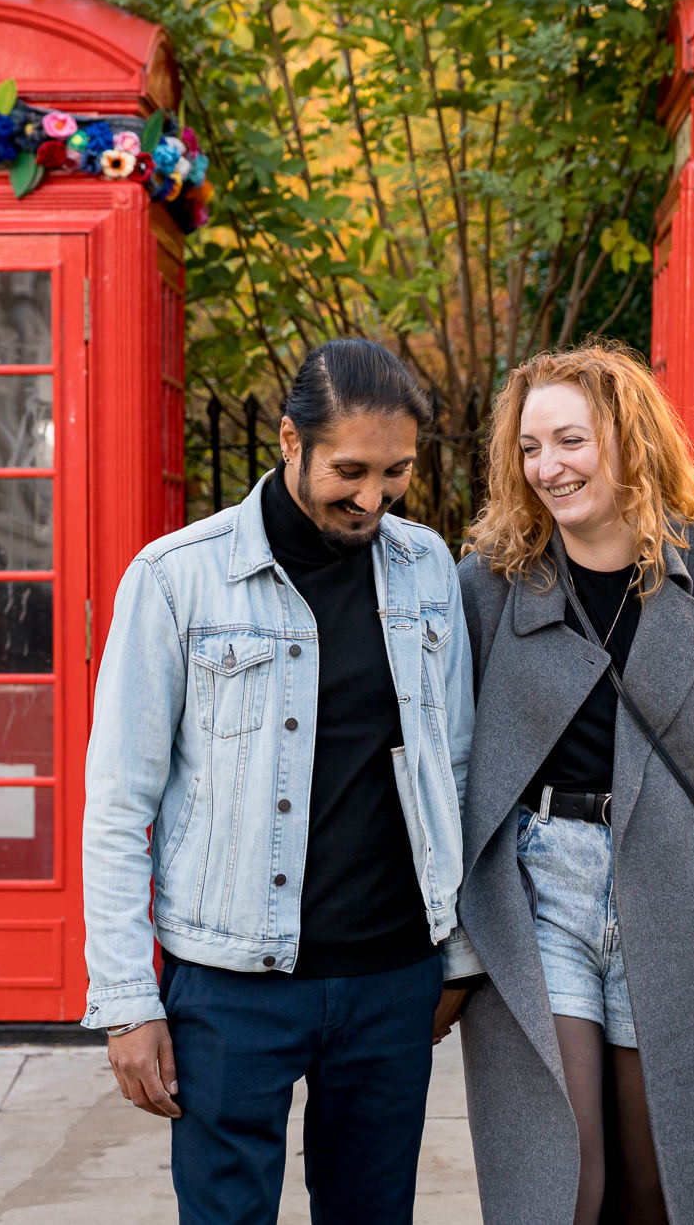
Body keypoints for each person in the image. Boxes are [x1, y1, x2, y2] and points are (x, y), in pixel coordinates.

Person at [80, 339, 483, 1225]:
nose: (373, 498)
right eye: (350, 470)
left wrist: (457, 954)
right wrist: (124, 1002)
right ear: (289, 441)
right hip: (232, 979)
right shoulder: (177, 578)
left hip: (392, 974)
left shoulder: (425, 569)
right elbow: (118, 804)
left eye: (397, 472)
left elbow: (454, 765)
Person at [451, 342, 694, 1223]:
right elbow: (440, 760)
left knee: (663, 1180)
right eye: (531, 447)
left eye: (570, 440)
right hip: (537, 888)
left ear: (630, 439)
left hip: (680, 895)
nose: (549, 467)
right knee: (564, 1174)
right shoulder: (492, 583)